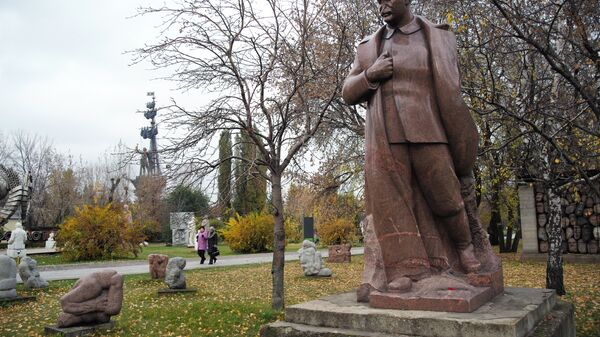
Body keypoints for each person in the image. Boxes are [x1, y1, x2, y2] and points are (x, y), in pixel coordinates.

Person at [342, 0, 481, 296]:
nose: (382, 5)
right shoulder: (369, 47)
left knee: (445, 196)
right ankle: (407, 270)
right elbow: (347, 91)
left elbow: (450, 87)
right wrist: (370, 75)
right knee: (394, 204)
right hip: (386, 135)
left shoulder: (436, 36)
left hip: (428, 128)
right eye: (378, 1)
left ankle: (464, 247)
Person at [57, 270, 124, 328]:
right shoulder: (92, 285)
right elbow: (64, 303)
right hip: (94, 284)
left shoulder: (114, 280)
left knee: (103, 316)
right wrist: (94, 306)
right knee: (103, 315)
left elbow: (112, 310)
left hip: (105, 283)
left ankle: (75, 316)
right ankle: (72, 317)